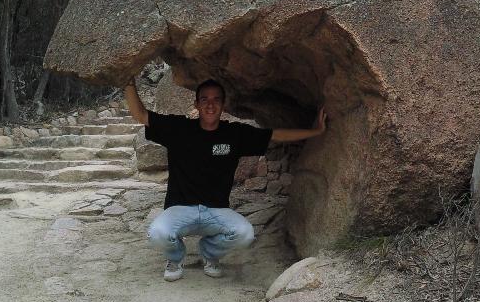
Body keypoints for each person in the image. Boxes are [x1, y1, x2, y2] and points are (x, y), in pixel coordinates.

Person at [123, 76, 327, 281]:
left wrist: (315, 131)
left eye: (216, 99)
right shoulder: (178, 129)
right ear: (196, 104)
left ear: (223, 104)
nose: (210, 105)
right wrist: (128, 82)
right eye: (204, 99)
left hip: (216, 211)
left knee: (245, 234)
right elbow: (140, 115)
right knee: (157, 234)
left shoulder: (234, 134)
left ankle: (210, 254)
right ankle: (175, 258)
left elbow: (275, 134)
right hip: (180, 208)